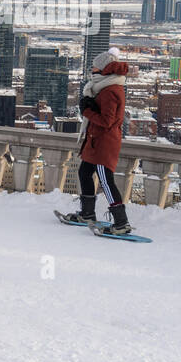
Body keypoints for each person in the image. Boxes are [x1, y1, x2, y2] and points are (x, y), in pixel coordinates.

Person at [66, 47, 131, 235]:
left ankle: (121, 222)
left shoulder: (111, 90)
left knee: (106, 181)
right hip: (96, 142)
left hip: (104, 143)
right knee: (84, 172)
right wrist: (92, 106)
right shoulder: (105, 87)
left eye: (94, 68)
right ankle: (87, 213)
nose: (92, 71)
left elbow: (107, 121)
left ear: (105, 70)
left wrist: (87, 111)